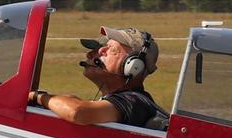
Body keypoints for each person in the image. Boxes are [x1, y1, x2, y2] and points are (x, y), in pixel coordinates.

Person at [27, 25, 168, 129]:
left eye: (111, 49)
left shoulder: (134, 101)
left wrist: (38, 97)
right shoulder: (126, 100)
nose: (98, 52)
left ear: (133, 66)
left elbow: (77, 112)